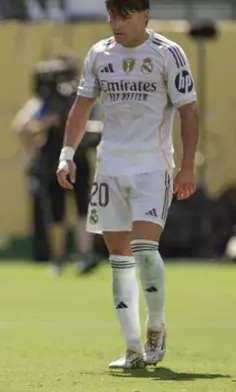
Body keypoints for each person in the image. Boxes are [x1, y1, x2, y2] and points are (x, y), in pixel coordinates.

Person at [56, 0, 198, 369]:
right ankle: (132, 348)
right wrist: (66, 154)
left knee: (145, 249)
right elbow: (82, 107)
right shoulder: (99, 54)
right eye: (112, 15)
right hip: (109, 168)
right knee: (118, 260)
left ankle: (155, 325)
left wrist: (186, 167)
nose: (116, 23)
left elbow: (188, 110)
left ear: (145, 15)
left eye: (124, 15)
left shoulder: (168, 53)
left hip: (152, 166)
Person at [14, 54, 100, 276]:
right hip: (53, 159)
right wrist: (43, 127)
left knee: (82, 208)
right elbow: (22, 126)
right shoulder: (44, 102)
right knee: (56, 212)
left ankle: (84, 254)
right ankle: (59, 257)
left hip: (76, 157)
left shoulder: (79, 99)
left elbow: (94, 125)